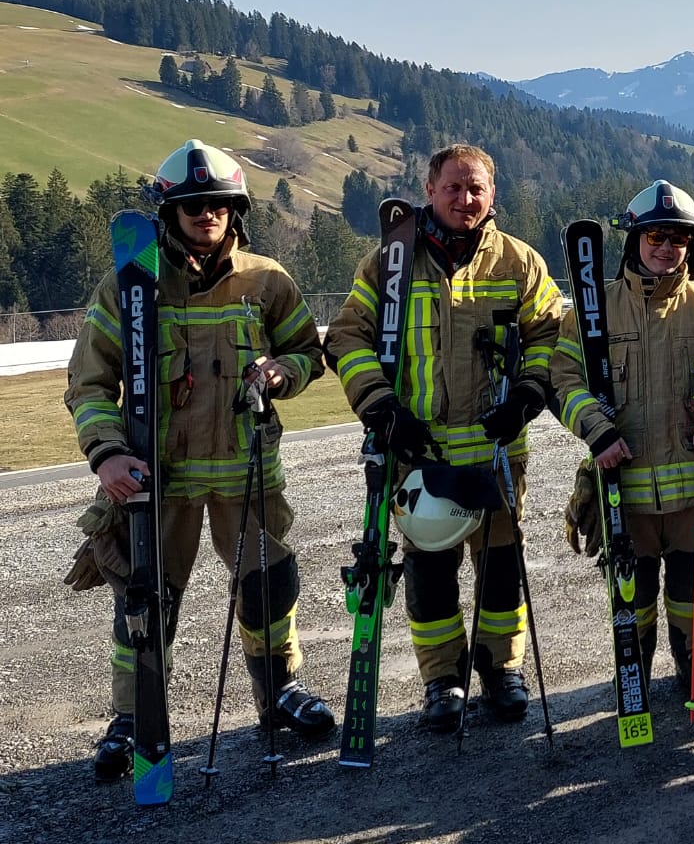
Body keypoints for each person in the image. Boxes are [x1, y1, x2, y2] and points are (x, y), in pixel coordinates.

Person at [66, 139, 334, 783]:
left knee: (269, 589)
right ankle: (132, 718)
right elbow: (89, 385)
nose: (206, 214)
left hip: (249, 475)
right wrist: (105, 455)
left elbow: (308, 352)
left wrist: (283, 371)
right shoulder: (131, 284)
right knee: (145, 598)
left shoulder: (267, 280)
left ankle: (280, 692)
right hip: (161, 478)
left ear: (234, 209)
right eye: (193, 205)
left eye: (218, 203)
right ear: (171, 210)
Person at [325, 143, 563, 732]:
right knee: (431, 576)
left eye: (476, 188)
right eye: (453, 187)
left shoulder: (519, 262)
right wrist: (380, 407)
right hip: (417, 453)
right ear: (429, 190)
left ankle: (502, 672)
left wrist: (529, 395)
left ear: (493, 195)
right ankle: (442, 681)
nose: (465, 199)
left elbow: (551, 333)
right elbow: (348, 338)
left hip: (498, 452)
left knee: (501, 571)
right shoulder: (389, 262)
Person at [550, 180, 694, 695]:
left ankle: (692, 657)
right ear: (633, 239)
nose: (665, 247)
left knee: (690, 587)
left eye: (678, 239)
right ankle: (634, 665)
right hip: (623, 489)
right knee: (633, 592)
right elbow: (562, 378)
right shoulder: (595, 311)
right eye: (655, 235)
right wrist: (597, 429)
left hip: (689, 487)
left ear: (690, 247)